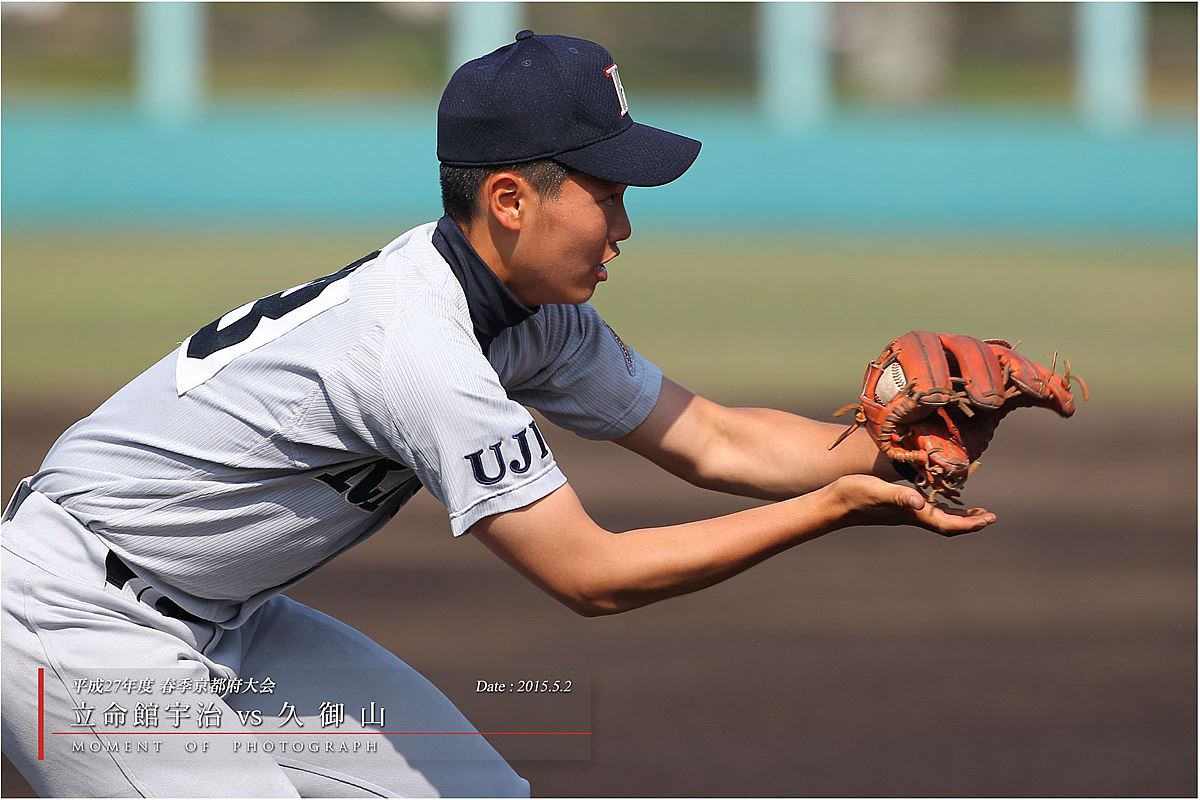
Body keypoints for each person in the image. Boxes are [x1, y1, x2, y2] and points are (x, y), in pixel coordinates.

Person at [1, 31, 995, 798]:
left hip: (232, 617)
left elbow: (718, 438)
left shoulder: (533, 317)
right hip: (75, 620)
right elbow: (590, 575)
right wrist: (831, 508)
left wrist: (890, 445)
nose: (626, 223)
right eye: (606, 191)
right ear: (512, 199)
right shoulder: (417, 347)